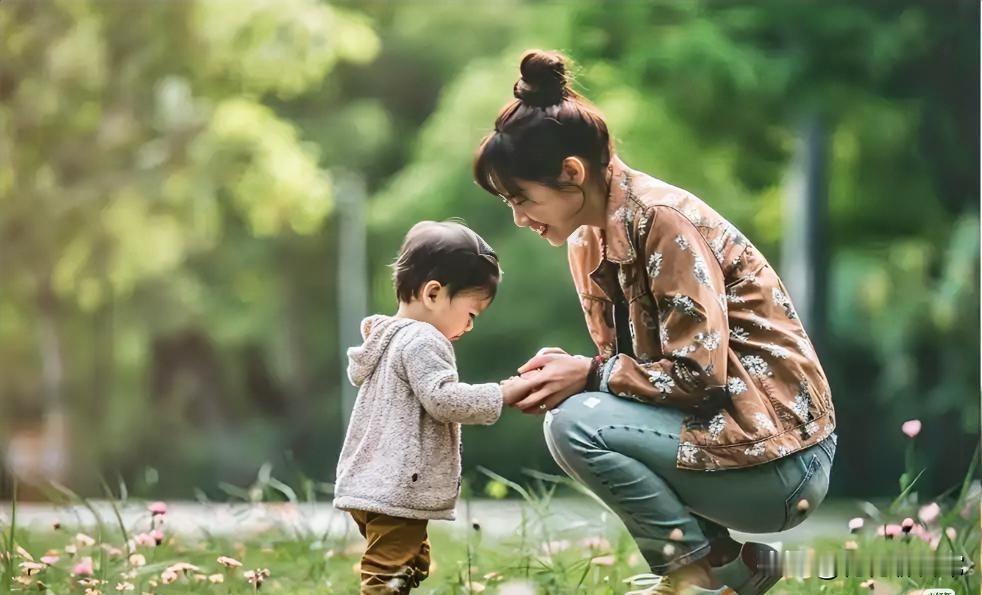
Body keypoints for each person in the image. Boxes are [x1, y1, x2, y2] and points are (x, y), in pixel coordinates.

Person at [472, 49, 837, 595]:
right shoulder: (587, 240)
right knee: (576, 415)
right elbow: (641, 382)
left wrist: (590, 374)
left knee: (576, 423)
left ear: (572, 173)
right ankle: (733, 571)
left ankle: (690, 580)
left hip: (783, 459)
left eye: (522, 198)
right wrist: (580, 372)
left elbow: (697, 377)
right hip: (730, 442)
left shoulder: (664, 222)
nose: (519, 219)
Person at [333, 221, 532, 594]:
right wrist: (502, 394)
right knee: (385, 575)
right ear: (434, 293)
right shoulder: (424, 340)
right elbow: (443, 399)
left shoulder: (386, 337)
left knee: (408, 562)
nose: (470, 326)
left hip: (371, 484)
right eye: (471, 313)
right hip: (395, 486)